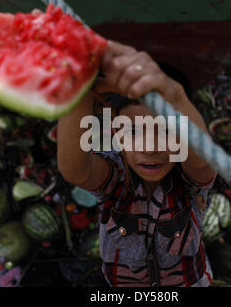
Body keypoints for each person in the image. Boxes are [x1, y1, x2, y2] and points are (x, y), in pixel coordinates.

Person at [57, 40, 217, 287]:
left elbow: (203, 157)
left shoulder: (190, 182)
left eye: (165, 130)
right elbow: (75, 170)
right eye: (133, 131)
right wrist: (79, 85)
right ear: (115, 132)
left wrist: (175, 96)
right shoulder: (114, 179)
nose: (150, 147)